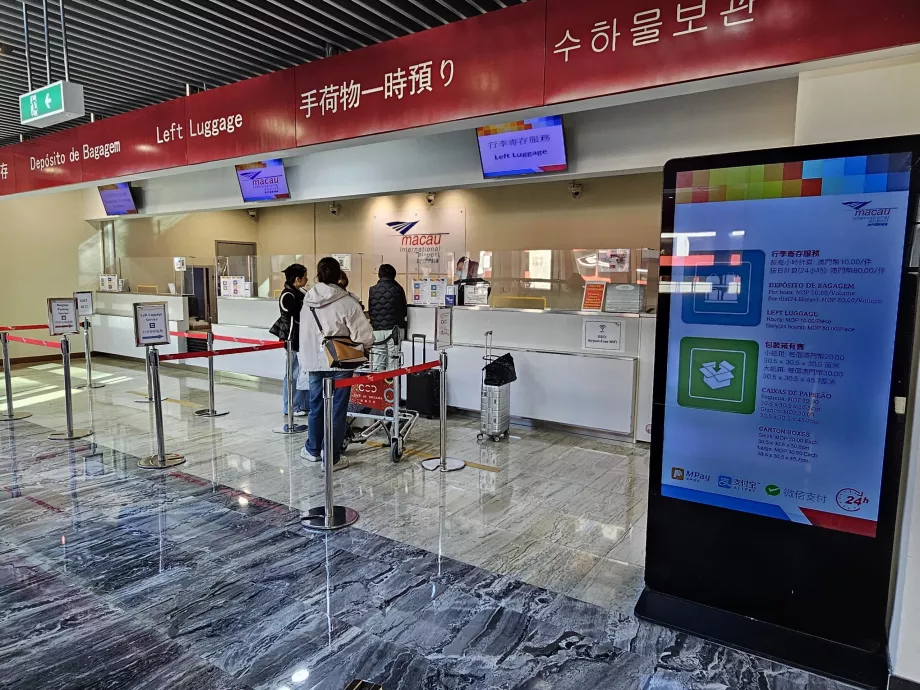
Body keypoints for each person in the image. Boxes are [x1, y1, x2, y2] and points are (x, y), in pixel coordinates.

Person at [298, 257, 374, 470]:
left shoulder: (308, 301)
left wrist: (307, 360)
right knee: (337, 409)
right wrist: (365, 346)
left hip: (314, 362)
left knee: (316, 407)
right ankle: (331, 457)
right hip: (340, 362)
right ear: (338, 274)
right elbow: (364, 335)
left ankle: (313, 450)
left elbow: (304, 334)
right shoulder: (347, 301)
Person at [278, 263, 308, 417]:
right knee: (293, 374)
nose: (307, 279)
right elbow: (299, 313)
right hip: (292, 340)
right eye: (305, 276)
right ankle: (291, 406)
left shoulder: (299, 292)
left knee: (302, 373)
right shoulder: (288, 295)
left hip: (302, 340)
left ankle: (302, 404)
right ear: (298, 279)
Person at [367, 264, 407, 371]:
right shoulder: (398, 289)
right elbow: (404, 310)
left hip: (377, 331)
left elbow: (371, 310)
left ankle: (377, 385)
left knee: (378, 361)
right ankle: (392, 386)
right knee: (393, 362)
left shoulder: (372, 290)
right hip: (394, 331)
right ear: (394, 275)